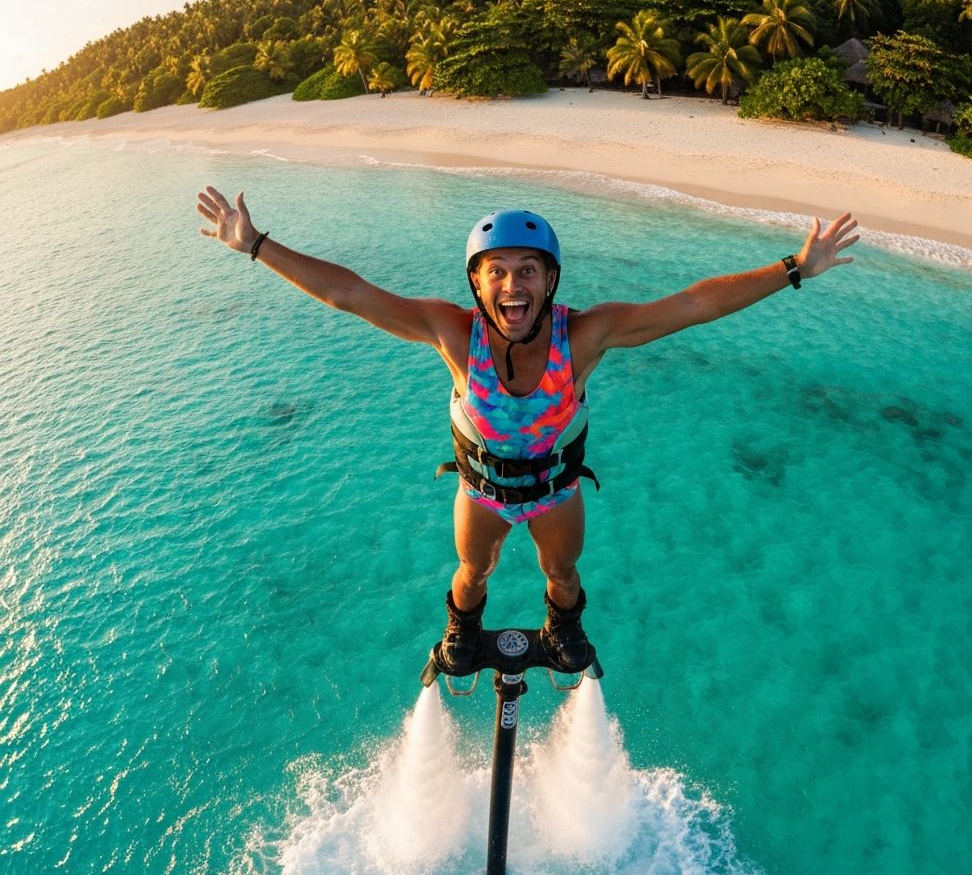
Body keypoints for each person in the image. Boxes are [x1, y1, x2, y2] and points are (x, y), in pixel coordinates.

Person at [196, 187, 858, 675]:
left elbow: (691, 303)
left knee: (561, 571)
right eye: (498, 272)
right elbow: (352, 293)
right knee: (472, 571)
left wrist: (793, 269)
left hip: (555, 489)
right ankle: (460, 630)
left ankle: (564, 625)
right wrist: (255, 244)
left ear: (549, 281)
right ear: (479, 286)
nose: (514, 284)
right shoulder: (452, 334)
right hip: (481, 491)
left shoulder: (587, 336)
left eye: (528, 271)